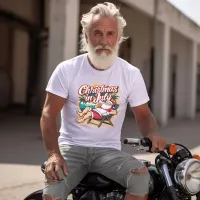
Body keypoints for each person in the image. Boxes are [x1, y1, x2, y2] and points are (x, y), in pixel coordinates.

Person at [41, 2, 167, 200]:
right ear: (86, 36)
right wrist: (53, 154)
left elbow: (143, 114)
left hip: (108, 152)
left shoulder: (130, 74)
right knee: (52, 193)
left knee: (142, 177)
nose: (104, 40)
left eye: (110, 34)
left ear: (118, 37)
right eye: (97, 33)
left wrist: (152, 133)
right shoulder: (67, 69)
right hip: (71, 149)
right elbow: (48, 114)